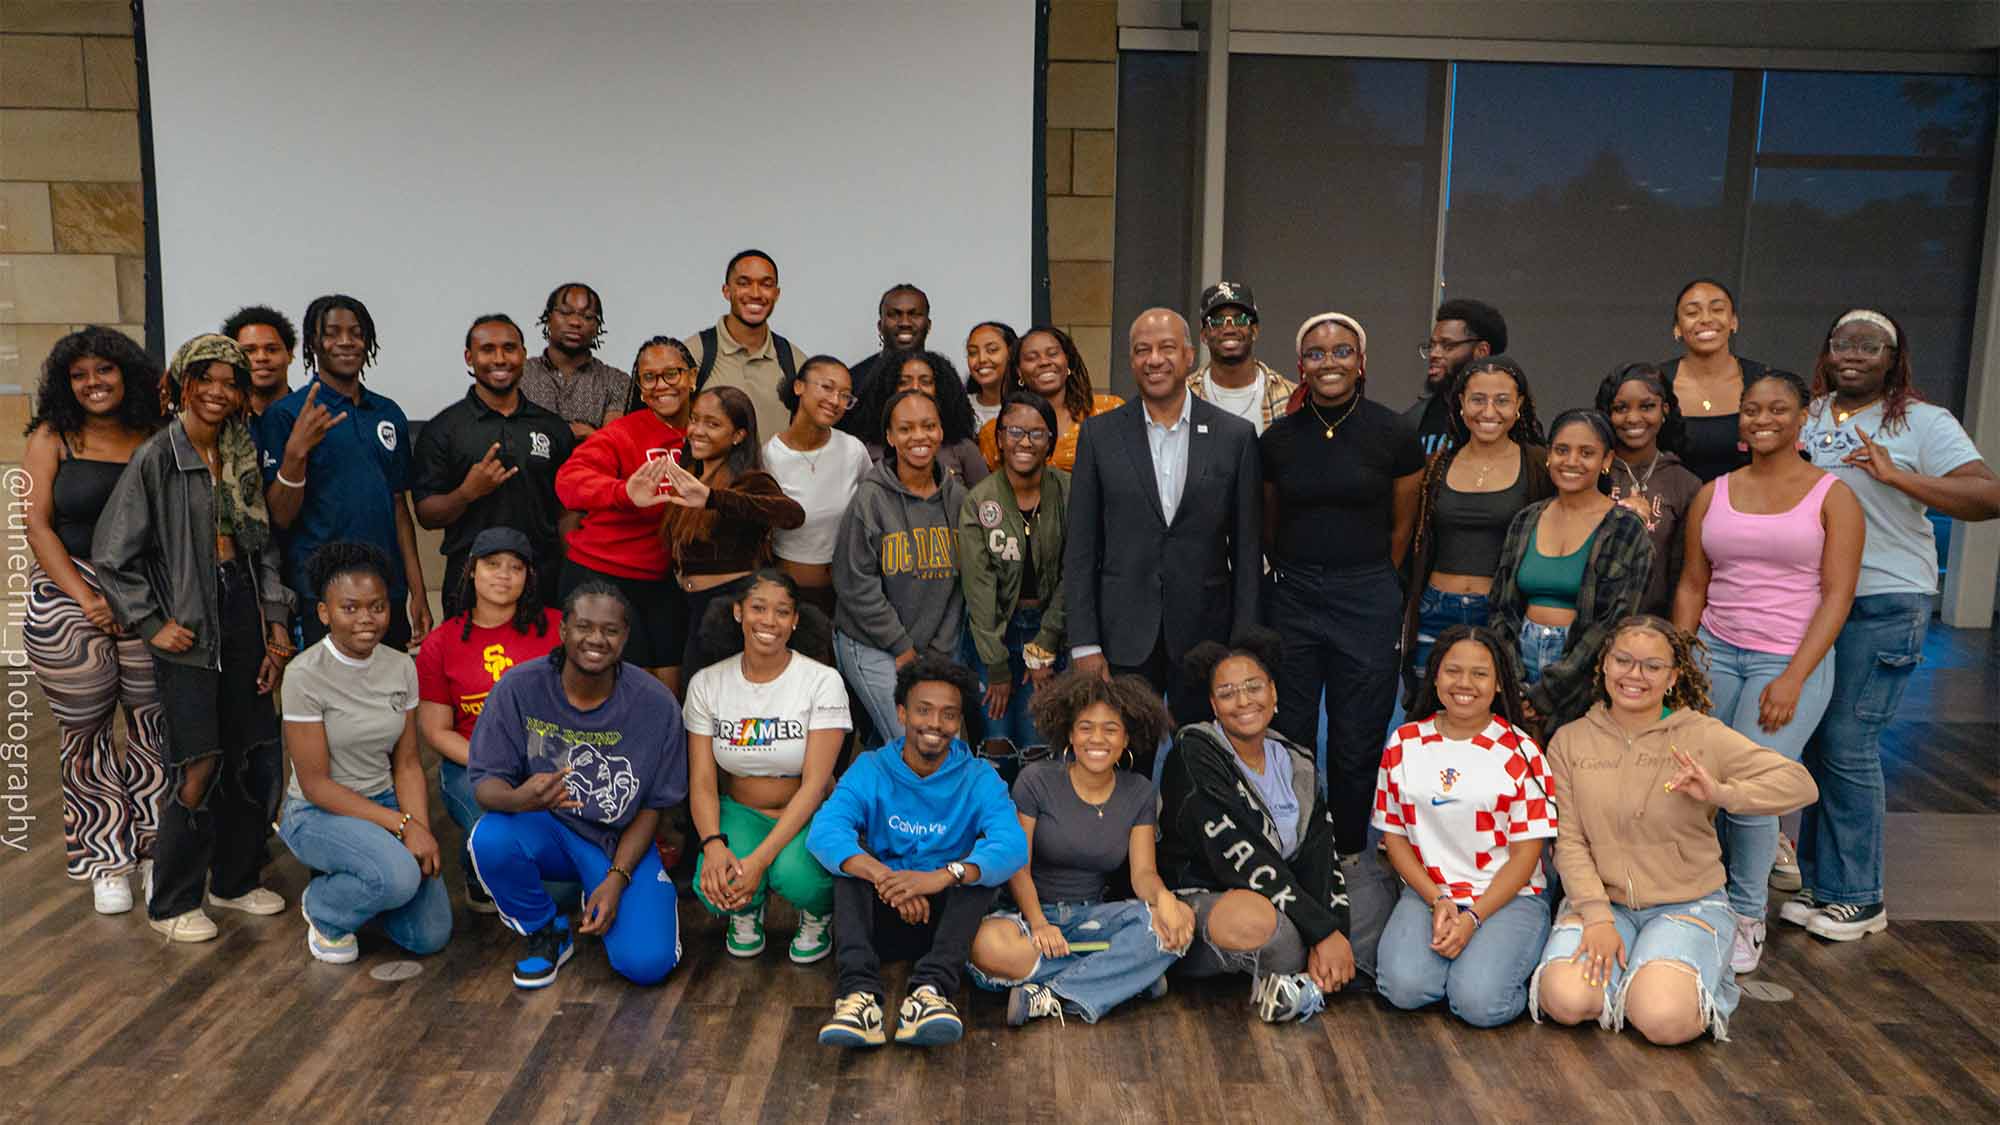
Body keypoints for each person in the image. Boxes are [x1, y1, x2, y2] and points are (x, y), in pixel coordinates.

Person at [1789, 308, 2000, 941]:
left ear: (1893, 356)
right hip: (1817, 599)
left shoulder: (1924, 421)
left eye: (1870, 345)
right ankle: (1823, 886)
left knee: (1851, 745)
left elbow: (1988, 496)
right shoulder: (1811, 414)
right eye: (1842, 343)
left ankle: (1860, 895)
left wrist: (1896, 475)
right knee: (1821, 743)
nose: (1853, 354)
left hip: (1885, 601)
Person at [1533, 616, 1818, 1045]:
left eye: (1652, 666)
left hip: (1686, 903)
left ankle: (1671, 976)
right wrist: (1595, 917)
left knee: (1664, 1021)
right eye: (1623, 661)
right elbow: (1569, 841)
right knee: (1567, 1001)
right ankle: (1643, 970)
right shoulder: (1570, 741)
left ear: (1672, 677)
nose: (1635, 675)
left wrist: (1721, 792)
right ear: (1604, 667)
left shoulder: (1703, 735)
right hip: (1603, 903)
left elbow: (1801, 784)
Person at [93, 333, 292, 940]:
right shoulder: (158, 456)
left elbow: (263, 550)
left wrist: (276, 625)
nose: (219, 391)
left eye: (230, 381)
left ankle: (234, 882)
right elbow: (112, 554)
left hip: (243, 613)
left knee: (253, 753)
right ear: (182, 385)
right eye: (205, 378)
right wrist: (154, 624)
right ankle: (173, 901)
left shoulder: (240, 453)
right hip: (189, 623)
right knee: (199, 763)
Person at [1673, 369, 1861, 972]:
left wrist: (1794, 677)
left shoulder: (1832, 496)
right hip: (1715, 653)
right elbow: (1694, 583)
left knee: (1753, 795)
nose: (1763, 419)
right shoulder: (1715, 491)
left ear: (1802, 416)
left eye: (1778, 409)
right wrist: (1683, 659)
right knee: (1699, 783)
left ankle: (1747, 915)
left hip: (1788, 659)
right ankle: (1704, 900)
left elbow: (1837, 596)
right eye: (1752, 410)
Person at [467, 583, 689, 988]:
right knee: (490, 838)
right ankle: (545, 930)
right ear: (563, 630)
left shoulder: (655, 704)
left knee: (646, 965)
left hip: (618, 840)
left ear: (625, 637)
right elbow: (484, 784)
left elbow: (654, 807)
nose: (596, 640)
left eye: (610, 630)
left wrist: (617, 878)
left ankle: (601, 889)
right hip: (547, 827)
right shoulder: (520, 687)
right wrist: (519, 798)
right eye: (584, 626)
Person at [1260, 312, 1423, 850]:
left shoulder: (1394, 431)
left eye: (1341, 351)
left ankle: (1351, 850)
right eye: (1316, 353)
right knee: (1291, 733)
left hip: (1367, 595)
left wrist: (1375, 578)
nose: (1329, 363)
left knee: (1356, 739)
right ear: (1300, 365)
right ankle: (1297, 846)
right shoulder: (1278, 438)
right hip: (1295, 595)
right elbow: (1269, 521)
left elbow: (1405, 523)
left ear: (1362, 362)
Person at [21, 326, 169, 916]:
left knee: (155, 726)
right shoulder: (52, 436)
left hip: (147, 593)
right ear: (66, 384)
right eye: (79, 375)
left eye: (103, 371)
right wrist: (86, 597)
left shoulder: (156, 434)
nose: (92, 384)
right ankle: (107, 857)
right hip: (67, 599)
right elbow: (36, 524)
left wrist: (137, 598)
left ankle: (161, 854)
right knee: (86, 735)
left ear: (125, 374)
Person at [808, 656, 1028, 1048]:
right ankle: (859, 1000)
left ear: (959, 722)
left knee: (978, 873)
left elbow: (1011, 846)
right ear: (901, 712)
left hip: (947, 927)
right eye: (923, 711)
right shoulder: (870, 768)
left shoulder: (980, 777)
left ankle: (929, 995)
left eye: (948, 715)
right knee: (848, 868)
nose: (935, 725)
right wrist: (885, 878)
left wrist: (942, 877)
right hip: (882, 912)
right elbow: (824, 831)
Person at [1064, 309, 1261, 745]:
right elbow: (1080, 548)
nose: (1155, 359)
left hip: (1207, 636)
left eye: (1167, 348)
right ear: (1131, 361)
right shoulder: (1099, 436)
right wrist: (1084, 643)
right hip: (1121, 636)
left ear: (1190, 356)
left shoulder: (1235, 436)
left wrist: (1243, 645)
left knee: (1204, 760)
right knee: (1126, 762)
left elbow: (1247, 553)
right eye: (1142, 350)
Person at [1157, 631, 1369, 1023]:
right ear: (1213, 706)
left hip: (1282, 892)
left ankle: (1304, 984)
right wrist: (1321, 931)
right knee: (1276, 933)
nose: (1243, 701)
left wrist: (1333, 929)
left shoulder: (1296, 760)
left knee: (1370, 902)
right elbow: (1240, 857)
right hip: (1210, 893)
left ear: (1273, 694)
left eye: (1253, 687)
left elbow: (1320, 851)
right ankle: (1303, 970)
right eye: (1227, 693)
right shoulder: (1193, 753)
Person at [966, 670, 1188, 1025]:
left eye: (1110, 729)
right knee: (986, 946)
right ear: (1069, 733)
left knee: (1178, 922)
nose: (1096, 738)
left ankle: (1052, 994)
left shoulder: (1140, 791)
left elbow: (1143, 874)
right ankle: (1126, 976)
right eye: (1086, 727)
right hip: (1028, 918)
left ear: (1126, 738)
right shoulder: (1037, 780)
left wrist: (1164, 900)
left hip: (1093, 919)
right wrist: (1039, 924)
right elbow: (1017, 864)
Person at [277, 542, 452, 964]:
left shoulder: (400, 667)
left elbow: (408, 763)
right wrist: (403, 825)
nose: (366, 620)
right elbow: (317, 785)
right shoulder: (303, 675)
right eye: (350, 608)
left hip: (384, 802)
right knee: (396, 876)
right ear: (324, 613)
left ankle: (368, 879)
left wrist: (420, 831)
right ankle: (325, 908)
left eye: (376, 607)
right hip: (318, 813)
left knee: (430, 935)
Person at [1374, 626, 1556, 1027]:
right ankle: (1459, 973)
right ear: (1435, 675)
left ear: (1498, 684)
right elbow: (1394, 835)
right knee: (1402, 990)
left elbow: (1527, 856)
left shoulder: (1521, 751)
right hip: (1430, 894)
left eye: (1480, 674)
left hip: (1507, 897)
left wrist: (1473, 918)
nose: (1465, 684)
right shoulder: (1403, 743)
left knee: (1479, 1006)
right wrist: (1438, 899)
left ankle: (1492, 971)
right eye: (1453, 670)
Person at [685, 570, 848, 962]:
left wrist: (758, 861)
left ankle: (816, 915)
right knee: (716, 879)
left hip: (806, 810)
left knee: (797, 875)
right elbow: (703, 781)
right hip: (741, 811)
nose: (769, 622)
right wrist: (713, 844)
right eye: (758, 608)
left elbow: (815, 785)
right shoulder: (707, 683)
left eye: (782, 612)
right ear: (738, 612)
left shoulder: (822, 681)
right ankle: (744, 910)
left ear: (795, 620)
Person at [258, 293, 430, 649]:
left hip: (386, 591)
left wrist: (418, 591)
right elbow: (279, 517)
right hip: (321, 594)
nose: (346, 342)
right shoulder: (287, 414)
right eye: (332, 333)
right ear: (313, 343)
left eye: (356, 332)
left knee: (387, 700)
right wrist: (295, 454)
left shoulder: (389, 413)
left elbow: (399, 507)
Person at [414, 527, 563, 913]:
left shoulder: (557, 629)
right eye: (493, 564)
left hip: (548, 761)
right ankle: (476, 866)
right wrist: (494, 762)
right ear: (471, 572)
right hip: (472, 764)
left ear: (529, 577)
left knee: (558, 891)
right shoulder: (441, 643)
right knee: (500, 825)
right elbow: (435, 730)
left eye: (516, 567)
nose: (504, 575)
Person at [620, 385, 804, 678]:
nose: (697, 430)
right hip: (682, 605)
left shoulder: (750, 480)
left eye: (713, 423)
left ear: (738, 436)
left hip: (725, 609)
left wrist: (712, 498)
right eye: (694, 419)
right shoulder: (689, 473)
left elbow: (792, 514)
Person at [1489, 409, 1652, 735]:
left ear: (1606, 460)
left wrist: (1546, 695)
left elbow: (1612, 624)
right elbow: (1501, 608)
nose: (1571, 461)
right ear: (1549, 455)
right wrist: (1515, 686)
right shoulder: (1526, 520)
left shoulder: (1625, 529)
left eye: (1586, 453)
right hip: (1518, 664)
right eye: (1562, 450)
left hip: (1584, 675)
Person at [1400, 355, 1550, 704]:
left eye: (1502, 400)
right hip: (1435, 611)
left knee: (1500, 714)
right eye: (1478, 399)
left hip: (1501, 614)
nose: (1489, 411)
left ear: (1519, 406)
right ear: (1461, 404)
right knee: (1428, 713)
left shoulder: (1539, 464)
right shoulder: (1437, 465)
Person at [413, 314, 577, 617]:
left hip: (542, 580)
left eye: (509, 348)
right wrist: (466, 493)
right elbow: (426, 515)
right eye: (487, 349)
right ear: (469, 357)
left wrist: (571, 575)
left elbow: (567, 510)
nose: (500, 358)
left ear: (524, 355)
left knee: (542, 665)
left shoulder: (553, 427)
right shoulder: (443, 429)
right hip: (468, 584)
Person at [553, 336, 694, 690]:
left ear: (692, 377)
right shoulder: (623, 432)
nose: (661, 385)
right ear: (641, 389)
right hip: (601, 573)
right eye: (649, 378)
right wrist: (623, 492)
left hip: (663, 579)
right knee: (634, 687)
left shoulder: (708, 430)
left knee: (672, 685)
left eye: (672, 374)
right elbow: (568, 482)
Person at [832, 390, 969, 744]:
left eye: (928, 426)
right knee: (918, 738)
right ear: (890, 438)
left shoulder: (958, 499)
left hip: (934, 647)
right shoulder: (870, 498)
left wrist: (937, 653)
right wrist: (902, 648)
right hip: (872, 643)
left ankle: (877, 799)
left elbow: (962, 585)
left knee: (912, 743)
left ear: (941, 432)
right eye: (906, 429)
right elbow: (855, 584)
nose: (919, 437)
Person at [959, 392, 1070, 761]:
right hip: (994, 635)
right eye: (1015, 432)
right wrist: (996, 665)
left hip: (1051, 630)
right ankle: (995, 820)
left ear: (1051, 441)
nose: (1025, 442)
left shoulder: (1067, 490)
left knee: (1040, 741)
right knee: (997, 743)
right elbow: (979, 590)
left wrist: (1043, 650)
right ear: (1000, 438)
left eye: (1037, 434)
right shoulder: (979, 500)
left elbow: (1076, 573)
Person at [765, 356, 872, 616]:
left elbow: (872, 511)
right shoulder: (769, 456)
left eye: (845, 395)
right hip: (789, 597)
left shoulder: (853, 450)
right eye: (827, 387)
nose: (835, 401)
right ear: (799, 387)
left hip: (846, 595)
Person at [1596, 363, 1703, 616]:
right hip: (1589, 626)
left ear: (1665, 409)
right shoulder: (1589, 471)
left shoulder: (1685, 484)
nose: (1633, 418)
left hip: (1653, 629)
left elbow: (1685, 576)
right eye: (1620, 408)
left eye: (1646, 406)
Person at [685, 249, 809, 442]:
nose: (756, 293)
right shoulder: (694, 354)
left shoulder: (795, 361)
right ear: (726, 291)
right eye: (744, 283)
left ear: (777, 294)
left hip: (772, 473)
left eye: (766, 285)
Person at [1662, 279, 1770, 483]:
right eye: (1692, 313)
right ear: (1677, 328)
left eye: (1717, 309)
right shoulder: (1656, 383)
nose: (1706, 319)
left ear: (1734, 322)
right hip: (1673, 510)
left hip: (1748, 507)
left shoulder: (1763, 380)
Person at [977, 326, 1122, 472]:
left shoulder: (1109, 411)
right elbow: (991, 490)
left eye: (1052, 354)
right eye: (1031, 358)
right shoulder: (994, 432)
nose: (1044, 362)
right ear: (1019, 372)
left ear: (1068, 361)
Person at [853, 347, 989, 485]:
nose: (915, 388)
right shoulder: (867, 450)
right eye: (904, 382)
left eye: (925, 382)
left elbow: (984, 502)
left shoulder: (963, 448)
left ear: (941, 389)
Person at [521, 282, 630, 440]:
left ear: (597, 326)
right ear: (548, 318)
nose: (575, 322)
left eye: (587, 316)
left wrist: (593, 436)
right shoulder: (521, 374)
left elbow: (613, 444)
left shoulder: (616, 381)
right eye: (565, 313)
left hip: (591, 464)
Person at [1186, 281, 1295, 435]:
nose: (1229, 328)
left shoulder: (1289, 397)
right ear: (1204, 335)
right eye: (1217, 321)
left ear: (1255, 330)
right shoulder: (1185, 396)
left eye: (1240, 319)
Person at [1407, 298, 1507, 457]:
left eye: (1447, 346)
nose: (1434, 354)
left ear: (1481, 351)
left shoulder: (1506, 419)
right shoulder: (1415, 418)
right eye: (1432, 345)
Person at [843, 283, 932, 418]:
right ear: (880, 326)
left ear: (928, 325)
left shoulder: (944, 379)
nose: (905, 323)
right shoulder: (855, 381)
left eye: (914, 314)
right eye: (894, 315)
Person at [221, 305, 297, 417]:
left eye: (272, 350)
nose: (261, 357)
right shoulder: (220, 420)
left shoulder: (313, 415)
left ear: (290, 355)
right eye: (250, 351)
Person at [963, 321, 1018, 432]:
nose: (982, 359)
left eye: (992, 350)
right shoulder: (960, 406)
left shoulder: (1030, 407)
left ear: (1011, 353)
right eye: (973, 352)